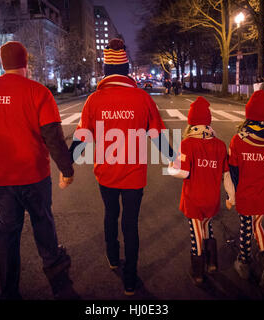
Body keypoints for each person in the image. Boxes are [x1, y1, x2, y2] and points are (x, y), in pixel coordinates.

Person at [0, 41, 76, 300]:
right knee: (42, 221)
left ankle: (9, 291)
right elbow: (53, 137)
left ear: (2, 63)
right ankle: (55, 271)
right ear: (26, 62)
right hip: (34, 175)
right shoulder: (38, 92)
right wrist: (66, 168)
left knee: (7, 232)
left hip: (0, 178)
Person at [69, 38, 174, 296]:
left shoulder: (93, 101)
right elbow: (157, 135)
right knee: (130, 224)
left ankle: (113, 257)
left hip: (106, 174)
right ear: (127, 70)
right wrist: (174, 157)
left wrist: (67, 164)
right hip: (134, 176)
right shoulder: (142, 98)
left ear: (105, 70)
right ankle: (130, 279)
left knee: (110, 214)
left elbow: (83, 137)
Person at [167, 96, 235, 286]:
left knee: (196, 233)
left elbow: (182, 172)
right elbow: (227, 175)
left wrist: (170, 166)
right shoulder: (220, 145)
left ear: (191, 123)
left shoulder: (187, 144)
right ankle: (212, 263)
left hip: (194, 198)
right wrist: (232, 197)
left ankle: (198, 272)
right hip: (212, 199)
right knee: (207, 228)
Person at [228, 90, 264, 287]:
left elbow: (233, 170)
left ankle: (244, 262)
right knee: (257, 225)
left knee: (246, 226)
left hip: (246, 191)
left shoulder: (239, 139)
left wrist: (235, 192)